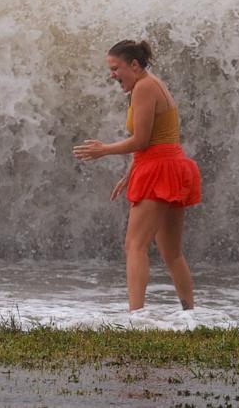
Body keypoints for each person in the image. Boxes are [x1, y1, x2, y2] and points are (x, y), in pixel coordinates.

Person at [72, 39, 202, 312]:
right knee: (171, 253)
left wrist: (104, 150)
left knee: (135, 246)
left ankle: (136, 316)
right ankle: (190, 315)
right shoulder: (153, 83)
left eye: (115, 68)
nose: (112, 75)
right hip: (172, 165)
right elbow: (156, 139)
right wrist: (131, 172)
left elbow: (141, 140)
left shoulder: (143, 87)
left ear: (134, 64)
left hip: (158, 170)